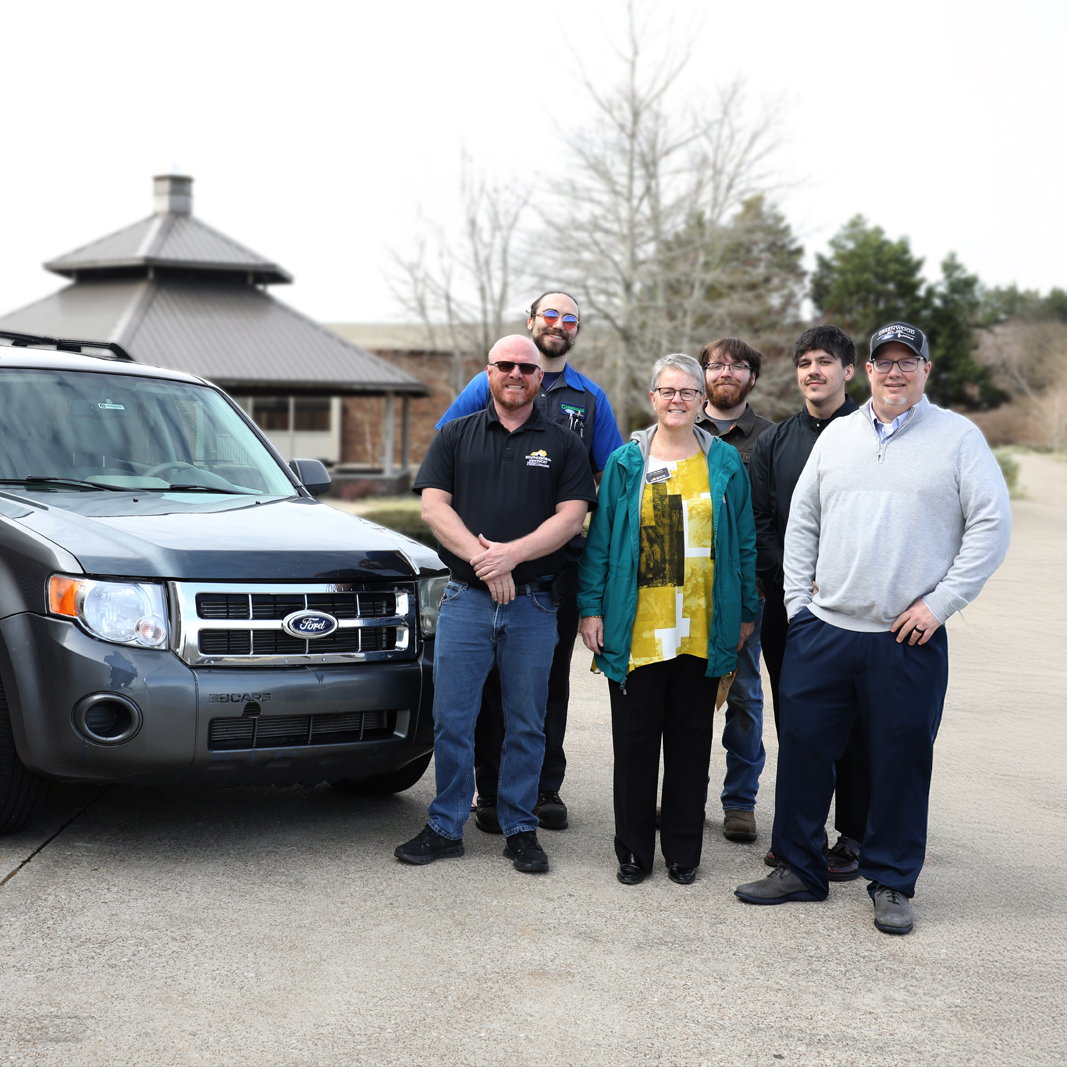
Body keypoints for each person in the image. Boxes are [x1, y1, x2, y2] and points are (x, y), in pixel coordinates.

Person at [735, 321, 1011, 935]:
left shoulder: (958, 439)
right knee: (804, 752)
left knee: (899, 760)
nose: (894, 372)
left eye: (906, 362)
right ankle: (800, 869)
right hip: (824, 629)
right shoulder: (839, 436)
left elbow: (991, 527)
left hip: (904, 639)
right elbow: (802, 519)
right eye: (883, 361)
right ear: (868, 371)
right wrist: (799, 604)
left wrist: (940, 605)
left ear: (925, 371)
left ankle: (891, 881)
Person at [394, 335, 597, 873]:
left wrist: (511, 556)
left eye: (525, 368)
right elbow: (435, 510)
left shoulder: (563, 444)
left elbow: (571, 517)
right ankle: (445, 826)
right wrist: (486, 563)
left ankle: (520, 827)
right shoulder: (456, 435)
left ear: (538, 378)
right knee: (452, 719)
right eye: (504, 365)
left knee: (526, 722)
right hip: (465, 601)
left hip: (534, 607)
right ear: (489, 373)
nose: (515, 374)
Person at [437, 292, 623, 834]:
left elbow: (611, 476)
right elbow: (447, 450)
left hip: (554, 569)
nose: (558, 325)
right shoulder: (492, 379)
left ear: (576, 330)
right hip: (483, 564)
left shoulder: (590, 399)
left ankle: (545, 790)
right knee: (488, 685)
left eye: (569, 318)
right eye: (550, 315)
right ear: (531, 323)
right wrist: (485, 550)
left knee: (544, 684)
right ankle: (489, 790)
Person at [578, 353, 758, 885]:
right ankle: (633, 851)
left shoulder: (724, 463)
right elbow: (600, 541)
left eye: (687, 392)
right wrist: (591, 607)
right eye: (667, 391)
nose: (676, 400)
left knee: (689, 744)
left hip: (701, 627)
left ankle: (683, 851)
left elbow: (744, 543)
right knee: (634, 747)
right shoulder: (624, 463)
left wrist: (746, 611)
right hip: (637, 629)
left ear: (702, 401)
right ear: (652, 398)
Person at [748, 325, 869, 879]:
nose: (813, 370)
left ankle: (855, 837)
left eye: (826, 361)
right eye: (805, 363)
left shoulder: (874, 434)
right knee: (800, 724)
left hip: (859, 610)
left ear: (849, 371)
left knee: (858, 730)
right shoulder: (774, 442)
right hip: (792, 609)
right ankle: (800, 835)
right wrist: (799, 582)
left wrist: (836, 579)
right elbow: (763, 523)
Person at [694, 337, 773, 845]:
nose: (726, 372)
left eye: (737, 366)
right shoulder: (673, 427)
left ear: (752, 377)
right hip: (681, 588)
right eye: (716, 364)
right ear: (702, 374)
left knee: (743, 694)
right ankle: (681, 792)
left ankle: (739, 802)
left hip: (746, 588)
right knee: (684, 694)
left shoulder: (770, 438)